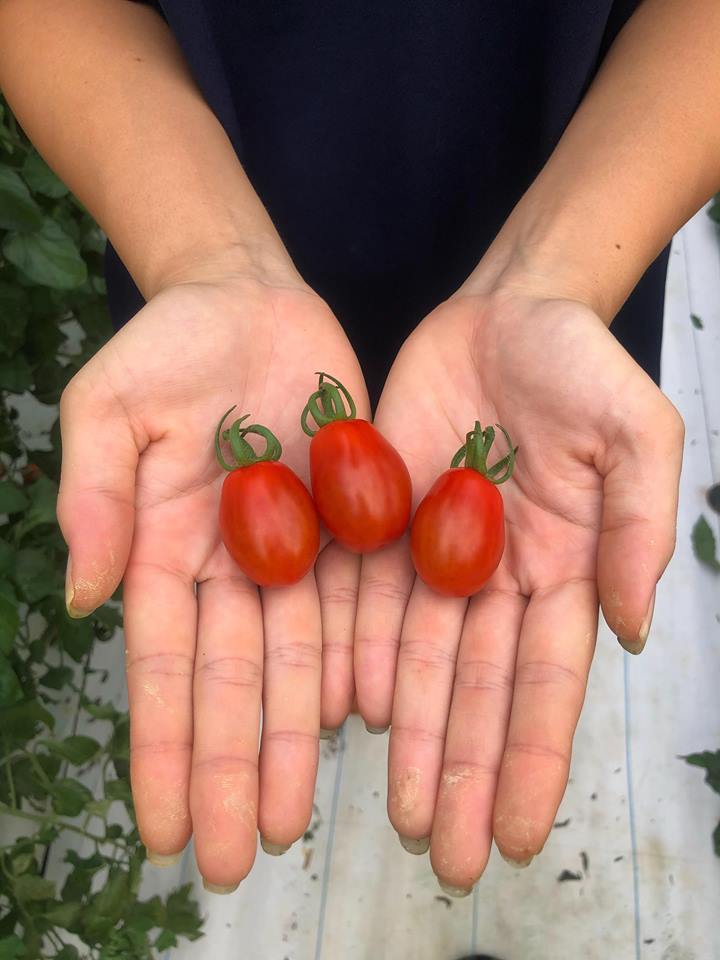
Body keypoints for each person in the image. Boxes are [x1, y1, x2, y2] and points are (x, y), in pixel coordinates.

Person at [3, 0, 713, 901]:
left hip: (573, 209)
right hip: (204, 217)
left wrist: (559, 275)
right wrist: (199, 253)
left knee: (531, 580)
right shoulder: (291, 441)